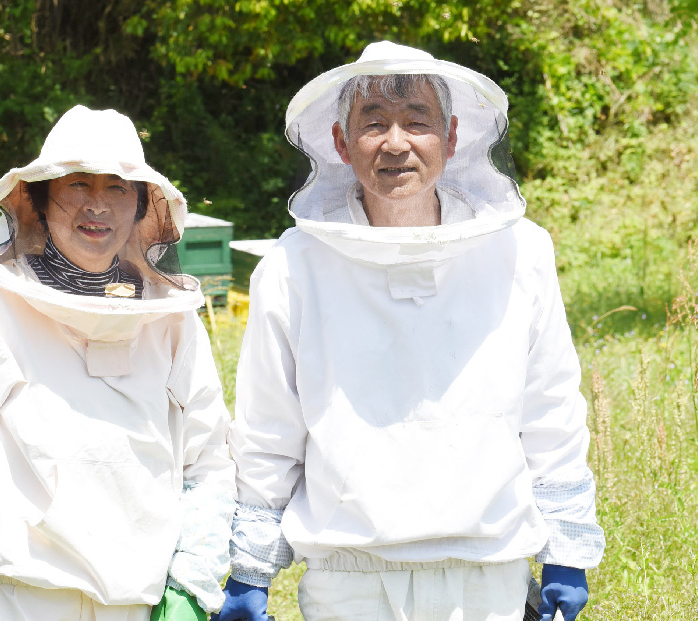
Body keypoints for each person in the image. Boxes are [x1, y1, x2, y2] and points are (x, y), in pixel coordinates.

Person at [216, 42, 604, 621]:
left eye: (415, 122)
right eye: (374, 124)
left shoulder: (520, 252)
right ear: (342, 143)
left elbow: (550, 412)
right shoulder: (293, 268)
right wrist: (250, 572)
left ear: (451, 137)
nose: (395, 143)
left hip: (488, 571)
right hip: (348, 578)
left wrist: (567, 553)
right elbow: (269, 432)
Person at [0, 105, 236, 621]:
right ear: (39, 198)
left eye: (118, 188)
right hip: (12, 600)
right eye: (78, 183)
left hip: (139, 604)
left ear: (143, 206)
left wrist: (192, 583)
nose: (97, 205)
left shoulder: (173, 321)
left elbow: (208, 464)